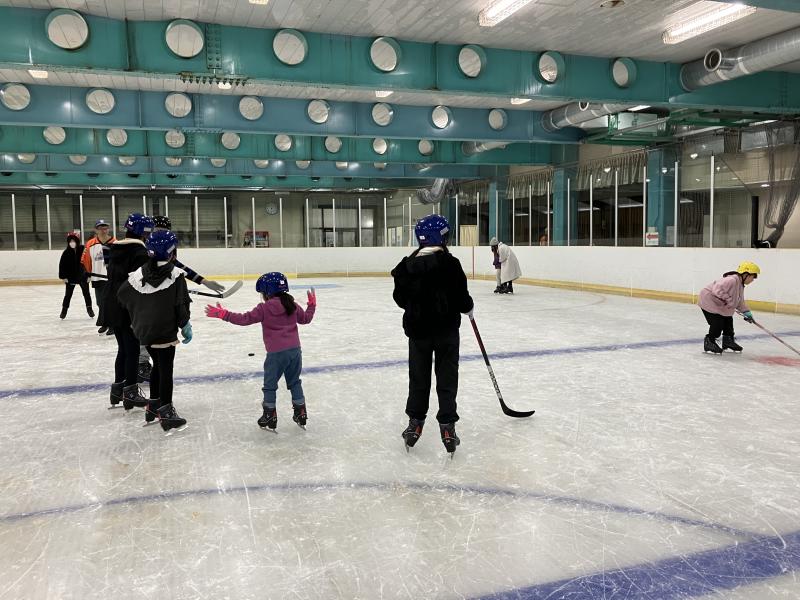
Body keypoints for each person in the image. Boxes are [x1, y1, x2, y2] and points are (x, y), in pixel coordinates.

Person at [391, 214, 474, 455]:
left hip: (418, 333)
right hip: (446, 332)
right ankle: (448, 427)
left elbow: (400, 299)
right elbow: (461, 298)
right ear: (441, 237)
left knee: (418, 376)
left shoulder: (407, 266)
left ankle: (415, 424)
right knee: (447, 377)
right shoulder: (451, 264)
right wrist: (468, 306)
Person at [205, 273, 316, 432]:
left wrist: (224, 314)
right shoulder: (291, 304)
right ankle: (301, 413)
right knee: (294, 382)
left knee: (270, 386)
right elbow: (306, 319)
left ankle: (270, 415)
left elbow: (244, 319)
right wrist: (312, 306)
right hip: (295, 351)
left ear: (267, 292)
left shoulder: (264, 308)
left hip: (276, 354)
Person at [134, 215, 226, 383]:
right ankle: (141, 363)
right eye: (157, 229)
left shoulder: (167, 245)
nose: (161, 233)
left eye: (164, 230)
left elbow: (178, 267)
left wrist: (203, 281)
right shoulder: (144, 247)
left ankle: (144, 365)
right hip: (143, 296)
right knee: (144, 328)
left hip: (159, 297)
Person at [117, 230, 192, 433]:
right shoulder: (176, 275)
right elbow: (181, 306)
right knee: (166, 369)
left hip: (144, 332)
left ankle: (153, 406)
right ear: (171, 251)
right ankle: (166, 412)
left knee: (157, 365)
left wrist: (139, 312)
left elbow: (122, 295)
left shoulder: (139, 273)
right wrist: (186, 326)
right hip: (165, 331)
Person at [101, 213, 154, 410]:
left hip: (112, 304)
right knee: (132, 350)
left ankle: (118, 389)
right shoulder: (140, 252)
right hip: (127, 306)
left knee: (123, 348)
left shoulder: (115, 247)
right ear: (143, 232)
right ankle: (130, 392)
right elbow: (140, 283)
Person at [698, 261, 760, 354]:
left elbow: (739, 302)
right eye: (753, 277)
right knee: (717, 323)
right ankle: (709, 341)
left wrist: (747, 313)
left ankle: (728, 341)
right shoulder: (732, 280)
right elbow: (716, 289)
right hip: (708, 301)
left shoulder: (740, 285)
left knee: (728, 320)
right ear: (745, 274)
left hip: (719, 304)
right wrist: (728, 300)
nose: (753, 280)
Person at [81, 219, 116, 335]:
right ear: (96, 230)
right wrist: (87, 272)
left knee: (110, 302)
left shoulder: (115, 243)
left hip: (110, 278)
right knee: (100, 302)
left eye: (105, 228)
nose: (103, 230)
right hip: (97, 277)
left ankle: (112, 324)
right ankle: (105, 323)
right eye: (101, 228)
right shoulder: (90, 244)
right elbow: (85, 260)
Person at [58, 232, 93, 320]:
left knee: (86, 294)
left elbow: (88, 262)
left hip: (83, 276)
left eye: (73, 241)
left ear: (77, 241)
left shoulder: (83, 250)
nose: (72, 243)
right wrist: (63, 277)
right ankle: (64, 310)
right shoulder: (66, 252)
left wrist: (89, 275)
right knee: (68, 295)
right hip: (71, 277)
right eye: (70, 241)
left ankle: (89, 309)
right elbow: (62, 265)